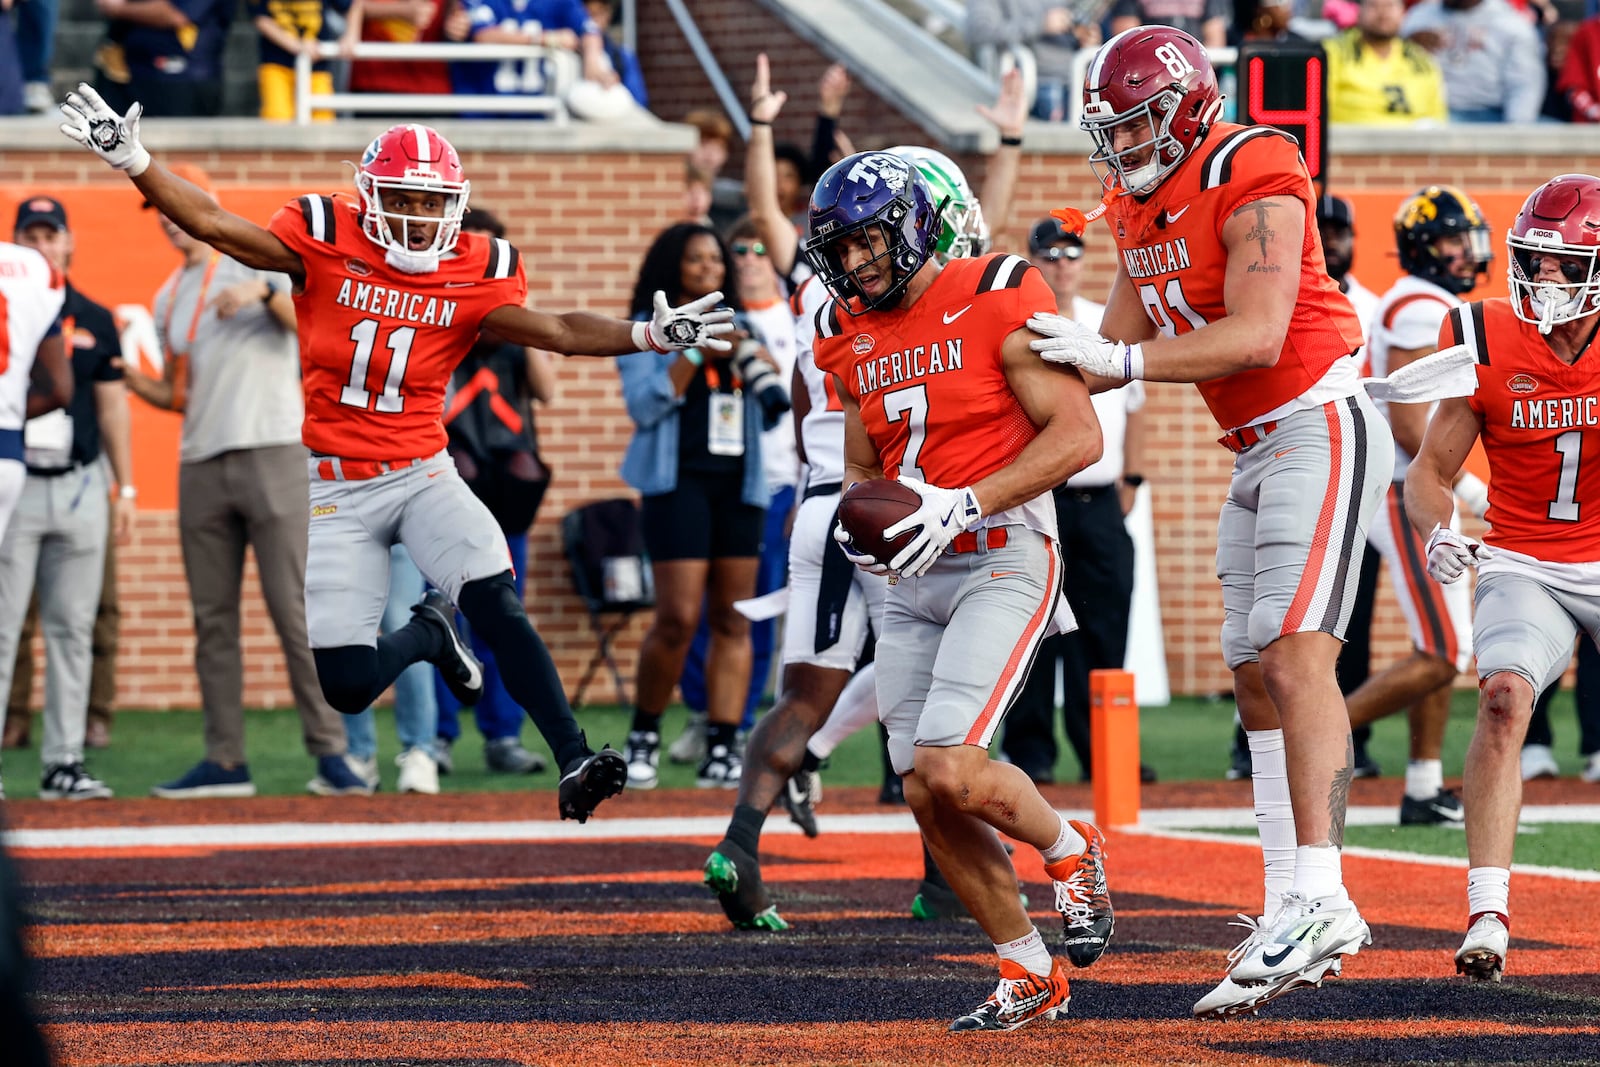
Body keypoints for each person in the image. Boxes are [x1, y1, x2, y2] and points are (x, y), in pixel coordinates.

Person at [57, 85, 732, 820]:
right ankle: (428, 635)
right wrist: (138, 163)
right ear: (370, 197)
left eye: (430, 201)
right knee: (346, 682)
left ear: (455, 204)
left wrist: (648, 335)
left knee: (497, 600)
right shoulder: (323, 235)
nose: (416, 216)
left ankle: (574, 756)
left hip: (421, 472)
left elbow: (558, 331)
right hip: (338, 486)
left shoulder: (477, 264)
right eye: (402, 200)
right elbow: (217, 225)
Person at [1031, 27, 1393, 1015]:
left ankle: (1322, 893)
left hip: (1318, 415)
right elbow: (1113, 334)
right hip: (1255, 443)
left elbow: (1258, 331)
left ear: (1189, 104)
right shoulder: (1131, 200)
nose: (1125, 143)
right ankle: (1289, 900)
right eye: (1112, 129)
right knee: (1249, 672)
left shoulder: (1254, 162)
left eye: (1140, 119)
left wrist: (1118, 364)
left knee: (1291, 653)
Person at [807, 150, 1113, 1031]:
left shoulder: (999, 288)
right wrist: (860, 520)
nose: (857, 264)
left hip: (1000, 549)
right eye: (841, 250)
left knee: (951, 763)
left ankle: (1071, 847)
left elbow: (1078, 435)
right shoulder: (843, 328)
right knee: (920, 787)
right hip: (910, 569)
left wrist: (964, 501)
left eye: (867, 240)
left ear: (910, 223)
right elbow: (866, 459)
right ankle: (1027, 970)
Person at [702, 139, 1001, 931]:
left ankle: (741, 841)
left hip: (822, 498)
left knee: (809, 688)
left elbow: (811, 415)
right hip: (895, 502)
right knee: (944, 698)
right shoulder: (924, 300)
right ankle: (946, 881)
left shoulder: (824, 295)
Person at [114, 162, 368, 799]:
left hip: (273, 450)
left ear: (205, 203)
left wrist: (263, 296)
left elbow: (314, 332)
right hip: (200, 460)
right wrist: (122, 376)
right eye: (160, 214)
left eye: (177, 208)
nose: (171, 222)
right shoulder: (168, 296)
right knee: (213, 619)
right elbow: (179, 394)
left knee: (293, 610)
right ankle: (225, 759)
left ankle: (333, 754)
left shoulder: (258, 264)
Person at [1404, 172, 1600, 982]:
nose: (1543, 280)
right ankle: (1488, 911)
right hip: (1524, 556)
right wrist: (1438, 528)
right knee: (1501, 697)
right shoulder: (1486, 335)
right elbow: (1429, 469)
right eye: (1532, 262)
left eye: (1563, 267)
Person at [1344, 185, 1494, 827]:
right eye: (1454, 239)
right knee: (1443, 650)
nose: (1467, 251)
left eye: (1468, 238)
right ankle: (1312, 731)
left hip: (1419, 487)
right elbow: (1409, 422)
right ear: (1424, 246)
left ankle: (1424, 784)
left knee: (1436, 640)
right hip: (1410, 491)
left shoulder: (1430, 300)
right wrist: (1462, 489)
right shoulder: (1417, 303)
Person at [617, 222, 782, 791]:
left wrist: (755, 361)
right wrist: (689, 340)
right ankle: (644, 735)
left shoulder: (748, 325)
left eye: (716, 259)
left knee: (732, 618)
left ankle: (722, 742)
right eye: (695, 260)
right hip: (676, 484)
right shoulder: (647, 330)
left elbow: (770, 405)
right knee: (678, 618)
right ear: (673, 268)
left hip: (739, 486)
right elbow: (644, 404)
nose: (709, 268)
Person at [1001, 217, 1150, 786]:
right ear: (1033, 261)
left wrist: (1132, 479)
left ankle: (1104, 753)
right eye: (1051, 255)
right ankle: (1032, 750)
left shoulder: (1104, 323)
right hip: (1039, 493)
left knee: (1104, 622)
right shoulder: (1019, 326)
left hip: (1099, 496)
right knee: (1032, 626)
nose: (1062, 264)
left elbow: (1134, 405)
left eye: (1071, 254)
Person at [0, 197, 134, 800]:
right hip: (21, 478)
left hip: (78, 480)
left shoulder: (94, 317)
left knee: (72, 628)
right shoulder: (23, 302)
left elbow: (111, 405)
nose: (42, 245)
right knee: (4, 630)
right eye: (31, 234)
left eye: (51, 235)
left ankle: (64, 760)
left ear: (69, 243)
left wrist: (125, 485)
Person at [432, 205, 556, 779]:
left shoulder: (511, 317)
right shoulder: (432, 309)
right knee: (439, 613)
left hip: (505, 482)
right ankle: (438, 735)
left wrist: (516, 318)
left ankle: (502, 734)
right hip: (444, 476)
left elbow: (546, 389)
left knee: (503, 611)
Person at [670, 218, 798, 769]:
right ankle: (707, 717)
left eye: (758, 249)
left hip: (777, 481)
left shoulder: (797, 317)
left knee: (751, 613)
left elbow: (805, 407)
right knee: (696, 614)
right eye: (737, 247)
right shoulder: (710, 319)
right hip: (718, 476)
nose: (746, 257)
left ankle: (743, 721)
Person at [1402, 0, 1545, 124]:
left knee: (1555, 132)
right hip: (1431, 112)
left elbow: (1524, 84)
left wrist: (1516, 131)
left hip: (1492, 113)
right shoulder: (1420, 16)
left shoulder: (1509, 22)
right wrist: (1404, 45)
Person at [965, 0, 1102, 122]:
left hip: (1080, 78)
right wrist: (1039, 24)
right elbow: (977, 31)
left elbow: (1077, 20)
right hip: (1035, 84)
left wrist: (1087, 39)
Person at [91, 0, 234, 117]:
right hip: (124, 70)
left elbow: (177, 15)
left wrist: (118, 7)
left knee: (177, 145)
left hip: (179, 76)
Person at [1323, 0, 1449, 125]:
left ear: (1403, 13)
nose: (1383, 13)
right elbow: (1320, 108)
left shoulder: (1421, 60)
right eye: (1374, 5)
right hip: (1350, 140)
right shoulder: (1333, 53)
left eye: (1390, 6)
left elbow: (1437, 117)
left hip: (1413, 141)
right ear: (1359, 12)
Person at [250, 0, 363, 122]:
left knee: (322, 121)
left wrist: (351, 35)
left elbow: (354, 5)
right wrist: (297, 46)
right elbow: (261, 19)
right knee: (277, 118)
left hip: (316, 68)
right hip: (277, 65)